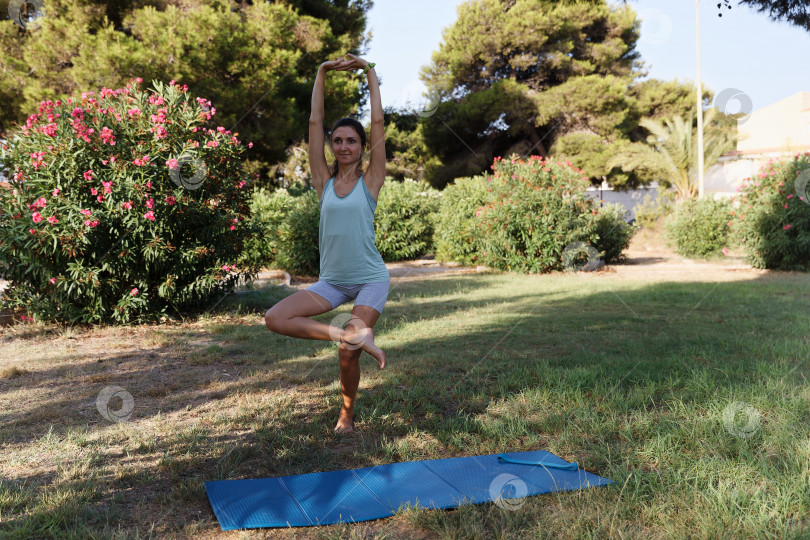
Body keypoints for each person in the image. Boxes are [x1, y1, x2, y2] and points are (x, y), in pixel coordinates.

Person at [264, 53, 389, 434]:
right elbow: (314, 122)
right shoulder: (323, 183)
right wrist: (320, 72)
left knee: (347, 356)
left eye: (352, 140)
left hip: (369, 278)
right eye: (338, 141)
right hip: (331, 282)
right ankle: (346, 332)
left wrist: (369, 70)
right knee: (275, 318)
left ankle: (347, 415)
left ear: (363, 147)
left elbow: (379, 122)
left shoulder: (371, 182)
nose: (343, 146)